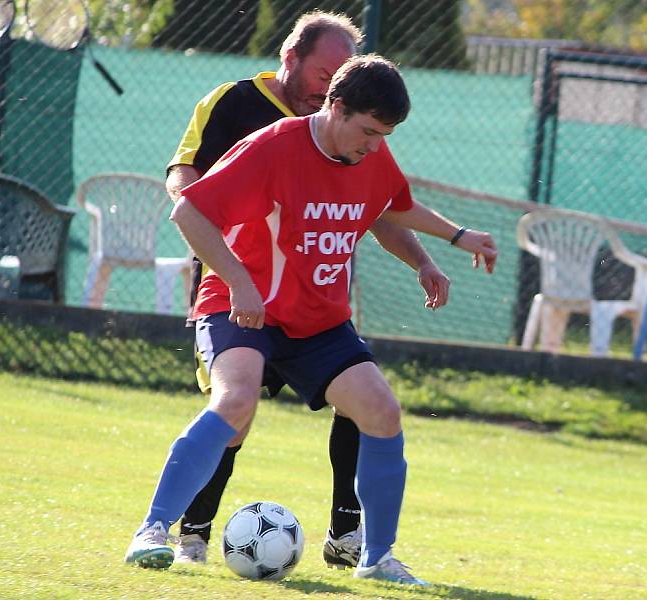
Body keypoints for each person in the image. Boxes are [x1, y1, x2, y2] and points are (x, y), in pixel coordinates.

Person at [125, 54, 497, 586]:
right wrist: (240, 281)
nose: (374, 145)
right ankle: (153, 531)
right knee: (234, 402)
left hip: (317, 320)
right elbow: (188, 211)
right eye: (368, 131)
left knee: (382, 412)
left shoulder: (369, 154)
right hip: (244, 308)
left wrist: (451, 242)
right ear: (335, 107)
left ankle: (377, 557)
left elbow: (390, 207)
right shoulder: (274, 145)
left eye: (383, 135)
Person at [164, 11, 450, 567]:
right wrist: (226, 240)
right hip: (239, 289)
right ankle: (188, 534)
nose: (332, 83)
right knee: (233, 410)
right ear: (290, 58)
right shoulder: (241, 109)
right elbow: (185, 181)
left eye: (342, 73)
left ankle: (351, 537)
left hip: (313, 304)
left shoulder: (353, 137)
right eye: (325, 72)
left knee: (363, 405)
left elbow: (383, 209)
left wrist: (433, 253)